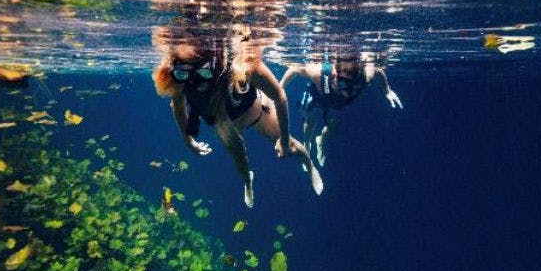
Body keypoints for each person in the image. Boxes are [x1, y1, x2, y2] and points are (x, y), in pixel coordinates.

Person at [153, 39, 323, 208]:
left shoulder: (245, 64)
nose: (194, 81)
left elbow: (279, 96)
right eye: (184, 74)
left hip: (257, 109)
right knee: (239, 159)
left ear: (216, 63)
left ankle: (310, 165)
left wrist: (284, 140)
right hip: (226, 123)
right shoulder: (180, 76)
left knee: (290, 145)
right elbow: (177, 104)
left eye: (203, 73)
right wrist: (188, 141)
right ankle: (248, 182)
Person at [280, 55, 403, 166]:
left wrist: (387, 90)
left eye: (353, 83)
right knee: (310, 120)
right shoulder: (320, 73)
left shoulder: (365, 77)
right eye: (344, 83)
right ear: (335, 75)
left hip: (338, 102)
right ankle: (306, 146)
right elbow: (295, 69)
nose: (348, 90)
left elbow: (377, 70)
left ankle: (320, 140)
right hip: (318, 95)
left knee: (334, 125)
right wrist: (279, 90)